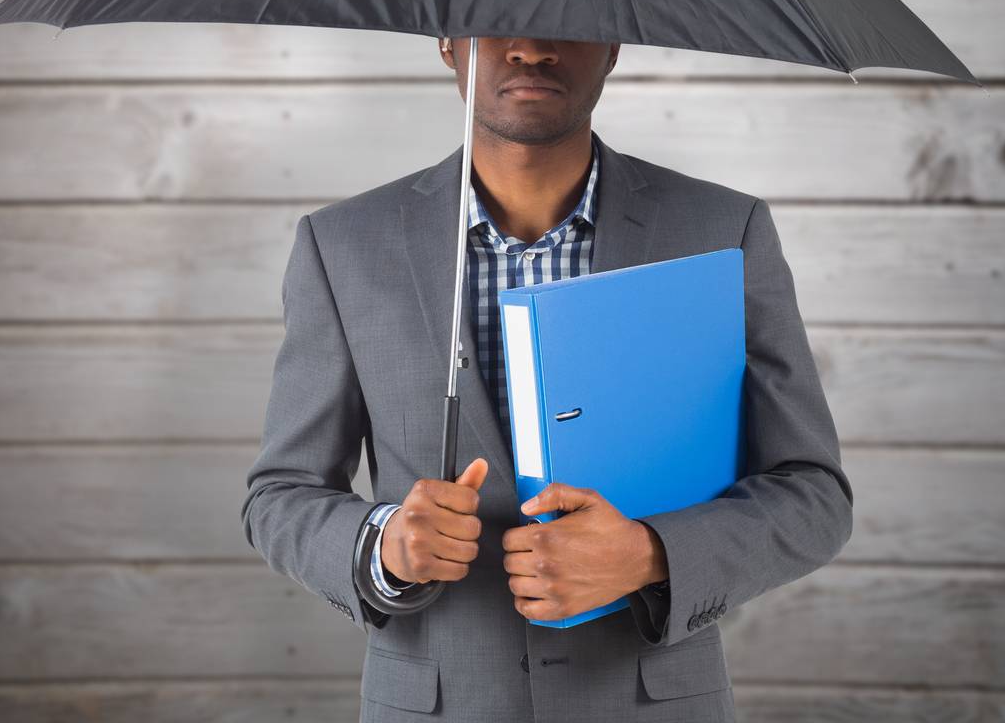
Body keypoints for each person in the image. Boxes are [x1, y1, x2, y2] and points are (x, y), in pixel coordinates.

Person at [242, 35, 853, 722]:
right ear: (448, 43)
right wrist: (382, 545)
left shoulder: (720, 229)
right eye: (496, 20)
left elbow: (812, 494)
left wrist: (651, 555)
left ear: (614, 45)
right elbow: (280, 494)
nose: (530, 49)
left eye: (565, 19)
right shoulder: (343, 244)